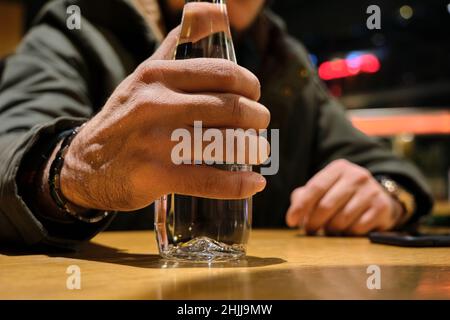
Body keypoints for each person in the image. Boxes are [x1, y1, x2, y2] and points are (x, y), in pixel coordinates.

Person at [0, 0, 432, 249]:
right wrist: (77, 169)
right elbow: (10, 148)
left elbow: (379, 165)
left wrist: (386, 195)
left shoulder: (286, 58)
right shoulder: (79, 23)